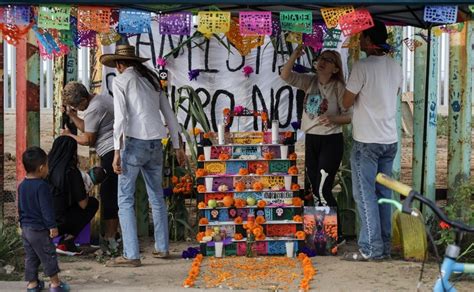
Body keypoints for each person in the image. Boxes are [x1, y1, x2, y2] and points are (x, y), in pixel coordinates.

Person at [99, 45, 186, 267]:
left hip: (134, 144)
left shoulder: (120, 81)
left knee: (125, 199)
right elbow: (169, 115)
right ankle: (162, 247)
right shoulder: (152, 80)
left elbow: (120, 119)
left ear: (119, 64)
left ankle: (131, 254)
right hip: (156, 144)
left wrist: (117, 151)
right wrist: (177, 146)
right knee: (156, 197)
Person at [341, 20, 402, 261]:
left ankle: (370, 248)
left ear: (368, 41)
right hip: (389, 140)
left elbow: (346, 102)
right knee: (383, 195)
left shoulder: (362, 67)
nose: (360, 41)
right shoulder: (395, 66)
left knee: (365, 194)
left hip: (367, 141)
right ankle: (384, 247)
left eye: (362, 37)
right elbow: (395, 93)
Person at [280, 45, 352, 244]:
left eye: (329, 60)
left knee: (323, 188)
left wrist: (334, 119)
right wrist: (295, 54)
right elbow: (285, 75)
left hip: (331, 140)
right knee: (315, 185)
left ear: (336, 68)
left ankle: (334, 234)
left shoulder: (338, 87)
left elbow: (350, 116)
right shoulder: (309, 82)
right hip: (312, 138)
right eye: (321, 58)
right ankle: (323, 235)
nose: (322, 61)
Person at [61, 81, 119, 250]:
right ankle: (113, 235)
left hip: (111, 152)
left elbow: (88, 139)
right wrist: (72, 116)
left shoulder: (94, 108)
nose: (77, 109)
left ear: (84, 99)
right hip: (114, 150)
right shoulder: (100, 100)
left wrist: (69, 136)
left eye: (77, 106)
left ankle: (111, 237)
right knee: (113, 193)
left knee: (109, 196)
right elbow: (89, 127)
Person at [18, 147, 70, 292]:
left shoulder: (22, 186)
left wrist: (22, 224)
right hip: (39, 230)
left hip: (26, 229)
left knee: (31, 257)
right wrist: (52, 226)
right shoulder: (42, 186)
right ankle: (55, 284)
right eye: (47, 165)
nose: (48, 168)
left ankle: (32, 284)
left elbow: (20, 207)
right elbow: (46, 209)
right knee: (48, 255)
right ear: (41, 168)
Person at [48, 136, 99, 254]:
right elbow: (83, 204)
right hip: (59, 224)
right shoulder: (72, 172)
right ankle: (68, 240)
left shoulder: (45, 168)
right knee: (92, 203)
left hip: (41, 222)